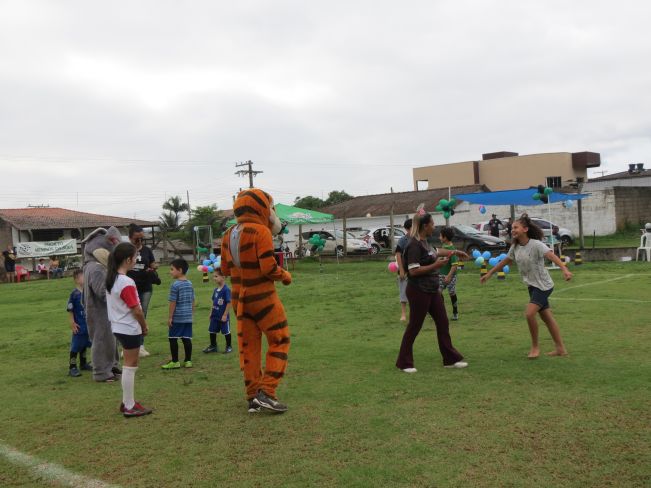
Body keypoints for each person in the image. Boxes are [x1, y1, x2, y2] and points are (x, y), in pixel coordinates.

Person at [221, 188, 292, 413]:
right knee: (279, 339)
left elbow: (224, 269)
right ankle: (267, 392)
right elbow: (268, 267)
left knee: (249, 346)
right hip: (262, 296)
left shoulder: (228, 233)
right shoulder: (261, 231)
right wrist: (285, 276)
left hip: (239, 297)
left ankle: (252, 396)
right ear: (262, 208)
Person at [481, 214, 571, 358]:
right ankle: (560, 349)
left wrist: (564, 269)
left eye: (515, 227)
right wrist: (489, 273)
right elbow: (505, 261)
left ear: (525, 229)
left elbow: (551, 256)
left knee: (529, 314)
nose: (513, 230)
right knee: (547, 318)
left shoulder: (536, 244)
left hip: (543, 286)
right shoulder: (515, 247)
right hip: (532, 286)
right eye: (512, 228)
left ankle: (535, 347)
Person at [396, 210, 469, 373]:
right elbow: (413, 271)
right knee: (415, 326)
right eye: (432, 224)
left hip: (432, 289)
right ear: (424, 226)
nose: (434, 227)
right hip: (418, 290)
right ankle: (404, 363)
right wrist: (435, 265)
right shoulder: (414, 245)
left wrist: (455, 252)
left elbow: (437, 251)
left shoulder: (425, 242)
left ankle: (450, 359)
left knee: (443, 322)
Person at [105, 242, 153, 418]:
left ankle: (127, 401)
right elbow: (136, 309)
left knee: (129, 365)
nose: (136, 259)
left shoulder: (112, 279)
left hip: (118, 326)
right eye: (135, 257)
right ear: (127, 260)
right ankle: (129, 405)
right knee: (130, 366)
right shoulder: (126, 281)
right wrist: (144, 326)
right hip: (129, 328)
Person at [82, 227, 123, 382]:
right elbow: (102, 292)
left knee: (111, 339)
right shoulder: (96, 268)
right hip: (99, 311)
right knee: (101, 340)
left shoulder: (92, 266)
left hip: (103, 311)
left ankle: (112, 366)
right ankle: (101, 372)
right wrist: (120, 295)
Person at [126, 224, 159, 358]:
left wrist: (154, 267)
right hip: (129, 288)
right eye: (137, 239)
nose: (139, 241)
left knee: (142, 315)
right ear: (130, 238)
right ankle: (128, 346)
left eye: (141, 238)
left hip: (145, 287)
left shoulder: (147, 250)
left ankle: (140, 345)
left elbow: (153, 263)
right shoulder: (125, 250)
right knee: (129, 315)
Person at [162, 258, 195, 369]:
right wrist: (191, 314)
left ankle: (175, 361)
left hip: (178, 317)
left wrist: (170, 317)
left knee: (172, 338)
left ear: (180, 270)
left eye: (172, 269)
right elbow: (193, 300)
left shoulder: (175, 285)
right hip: (188, 317)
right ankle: (188, 361)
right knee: (186, 338)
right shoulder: (190, 284)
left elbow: (173, 302)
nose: (170, 272)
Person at [67, 270, 92, 377]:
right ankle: (72, 367)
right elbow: (70, 310)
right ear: (77, 280)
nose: (86, 279)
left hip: (88, 325)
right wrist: (72, 322)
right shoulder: (74, 294)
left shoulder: (88, 292)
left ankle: (83, 363)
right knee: (76, 345)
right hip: (79, 325)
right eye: (83, 277)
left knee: (84, 343)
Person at [203, 268, 233, 354]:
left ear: (223, 277)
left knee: (226, 332)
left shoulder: (226, 290)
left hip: (222, 316)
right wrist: (211, 312)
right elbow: (214, 302)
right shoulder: (216, 290)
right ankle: (213, 346)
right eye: (213, 276)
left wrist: (225, 315)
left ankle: (229, 346)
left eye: (216, 276)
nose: (214, 278)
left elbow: (229, 302)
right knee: (212, 330)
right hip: (215, 315)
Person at [438, 227, 459, 321]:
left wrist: (449, 276)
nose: (439, 237)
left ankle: (455, 312)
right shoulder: (443, 247)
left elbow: (454, 265)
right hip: (441, 275)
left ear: (445, 237)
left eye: (440, 236)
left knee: (451, 292)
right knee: (438, 292)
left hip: (451, 276)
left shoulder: (451, 249)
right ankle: (442, 312)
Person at [394, 218, 412, 322]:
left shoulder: (419, 239)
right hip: (404, 271)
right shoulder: (403, 240)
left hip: (415, 270)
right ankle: (403, 314)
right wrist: (401, 270)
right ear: (407, 229)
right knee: (403, 292)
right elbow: (398, 254)